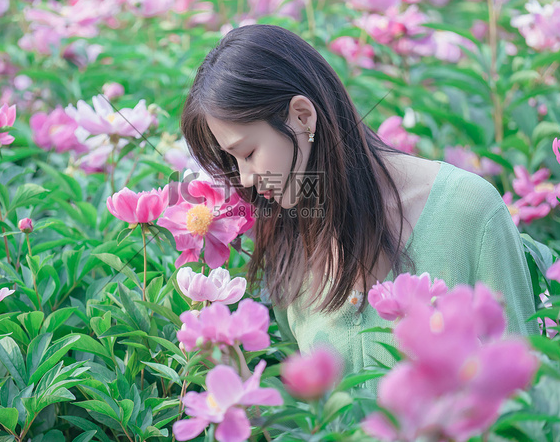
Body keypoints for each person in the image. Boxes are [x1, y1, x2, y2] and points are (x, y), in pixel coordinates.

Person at [179, 24, 538, 387]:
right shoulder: (286, 242)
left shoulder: (468, 211)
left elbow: (526, 395)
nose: (247, 179)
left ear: (303, 117)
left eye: (249, 153)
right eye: (234, 162)